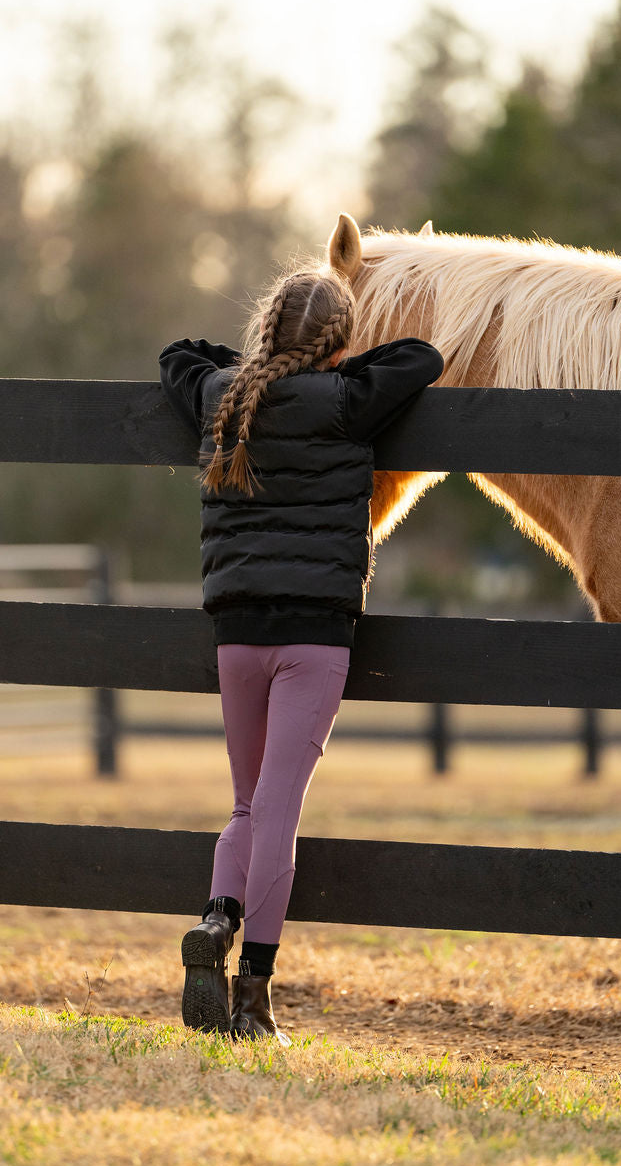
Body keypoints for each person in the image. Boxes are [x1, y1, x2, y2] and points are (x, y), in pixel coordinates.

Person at [158, 264, 443, 1042]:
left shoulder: (221, 395)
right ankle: (252, 997)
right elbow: (421, 356)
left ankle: (216, 923)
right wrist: (340, 362)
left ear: (264, 329)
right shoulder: (352, 400)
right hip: (314, 637)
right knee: (278, 816)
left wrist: (256, 361)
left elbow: (179, 353)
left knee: (248, 806)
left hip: (237, 632)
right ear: (338, 343)